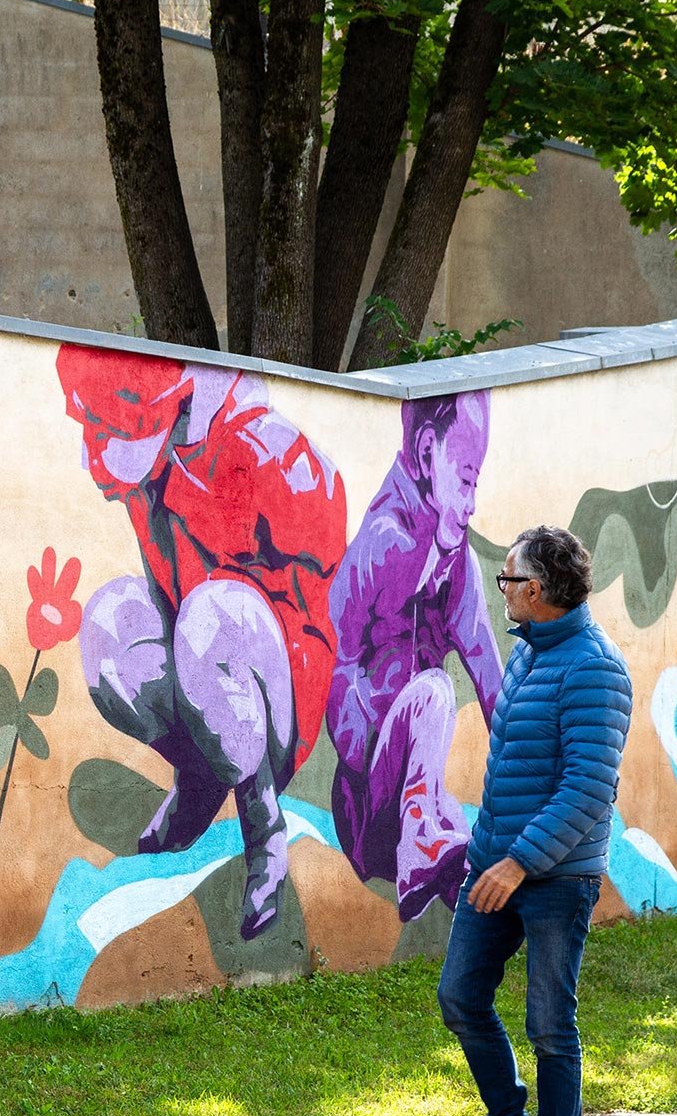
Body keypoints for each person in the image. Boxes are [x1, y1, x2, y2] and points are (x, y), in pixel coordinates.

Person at [55, 344, 346, 939]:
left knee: (210, 614)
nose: (93, 458)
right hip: (207, 677)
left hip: (282, 694)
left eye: (103, 432)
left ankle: (264, 830)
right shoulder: (148, 474)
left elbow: (324, 562)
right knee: (114, 622)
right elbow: (164, 588)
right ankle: (201, 776)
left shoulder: (258, 446)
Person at [436, 525, 631, 1116]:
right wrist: (488, 849)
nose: (503, 590)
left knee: (551, 1024)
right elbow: (516, 770)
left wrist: (521, 861)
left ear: (538, 590)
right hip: (496, 866)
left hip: (553, 879)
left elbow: (587, 789)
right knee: (460, 998)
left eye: (509, 579)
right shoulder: (529, 656)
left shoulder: (594, 669)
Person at [327, 390, 502, 922]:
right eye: (466, 481)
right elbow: (337, 665)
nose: (472, 502)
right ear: (428, 454)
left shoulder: (458, 566)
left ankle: (435, 856)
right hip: (366, 803)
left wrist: (532, 771)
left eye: (478, 484)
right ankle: (419, 842)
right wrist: (367, 748)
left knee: (473, 850)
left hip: (416, 801)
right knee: (433, 690)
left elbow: (493, 681)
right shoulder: (382, 543)